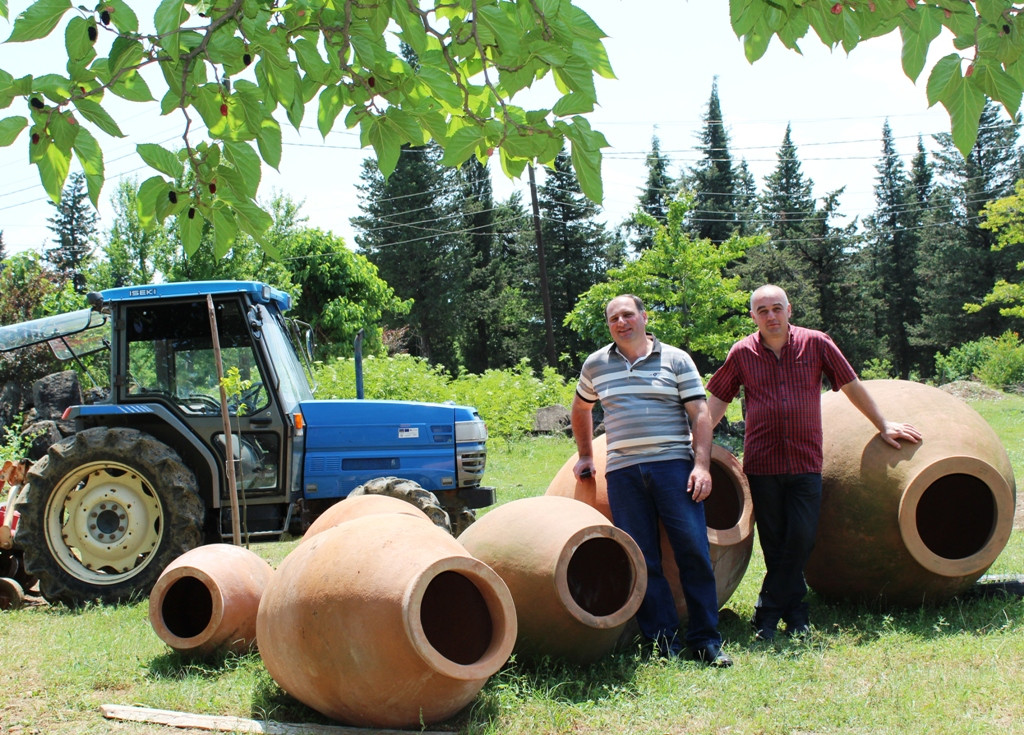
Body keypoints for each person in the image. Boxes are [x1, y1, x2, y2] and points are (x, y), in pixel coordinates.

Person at [705, 284, 922, 642]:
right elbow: (717, 401)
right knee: (775, 543)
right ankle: (797, 617)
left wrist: (883, 424)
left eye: (777, 308)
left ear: (789, 310)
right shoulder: (741, 353)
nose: (771, 316)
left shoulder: (817, 343)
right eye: (763, 311)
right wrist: (695, 446)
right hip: (761, 464)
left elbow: (851, 384)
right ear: (753, 316)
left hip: (806, 461)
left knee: (802, 539)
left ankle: (767, 609)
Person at [571, 294, 731, 667]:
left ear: (644, 316)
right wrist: (584, 454)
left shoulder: (675, 359)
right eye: (614, 318)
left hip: (673, 467)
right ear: (608, 325)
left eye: (628, 315)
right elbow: (581, 408)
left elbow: (701, 413)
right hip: (623, 473)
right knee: (642, 559)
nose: (622, 322)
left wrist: (702, 465)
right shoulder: (596, 364)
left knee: (693, 551)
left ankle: (707, 640)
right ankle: (662, 642)